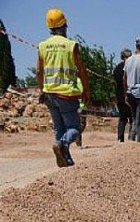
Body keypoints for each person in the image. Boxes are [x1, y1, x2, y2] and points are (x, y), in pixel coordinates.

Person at [36, 8, 90, 167]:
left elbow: (39, 71)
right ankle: (64, 145)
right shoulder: (71, 45)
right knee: (74, 129)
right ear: (64, 26)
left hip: (50, 94)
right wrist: (86, 90)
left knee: (59, 129)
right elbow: (82, 70)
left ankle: (65, 160)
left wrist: (42, 90)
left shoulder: (42, 46)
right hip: (66, 95)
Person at [113, 48, 132, 142]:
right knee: (131, 118)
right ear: (123, 58)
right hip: (126, 96)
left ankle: (121, 139)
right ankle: (129, 139)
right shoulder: (129, 68)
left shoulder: (117, 68)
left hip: (120, 96)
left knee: (123, 118)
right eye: (128, 57)